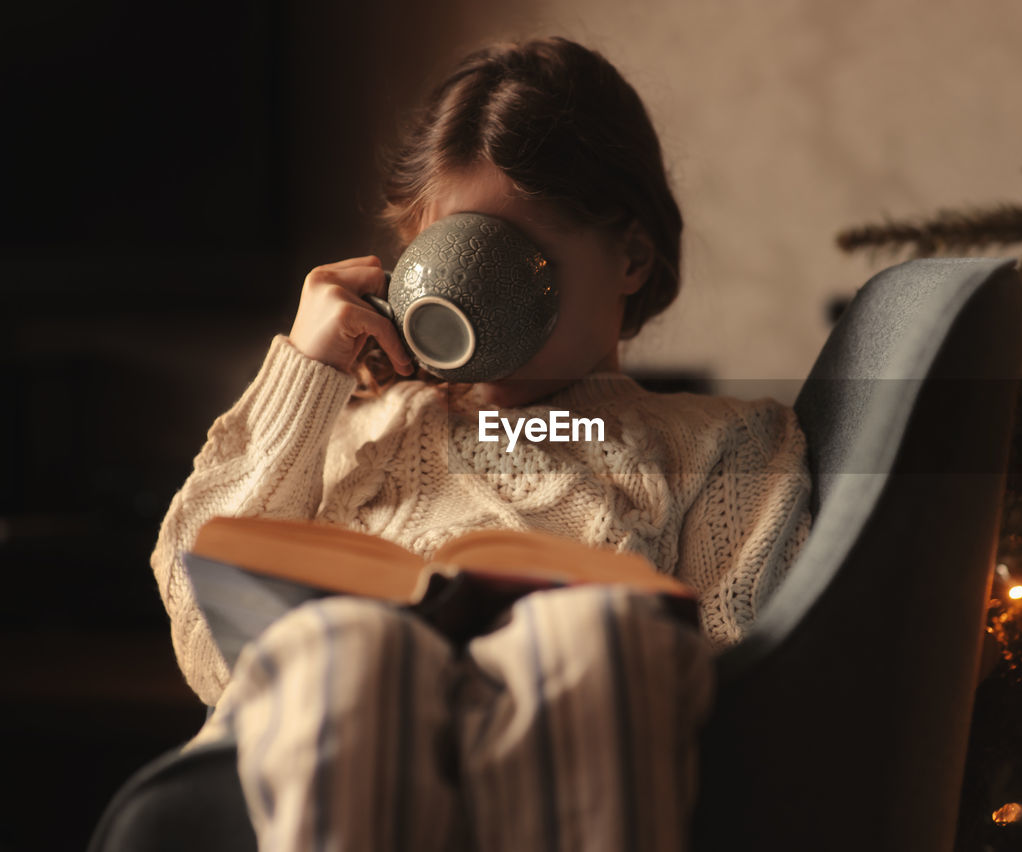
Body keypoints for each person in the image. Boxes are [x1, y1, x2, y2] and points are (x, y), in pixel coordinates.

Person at [151, 36, 812, 851]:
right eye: (452, 256)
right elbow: (203, 643)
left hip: (578, 764)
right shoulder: (347, 429)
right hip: (327, 765)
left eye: (512, 261)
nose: (473, 301)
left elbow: (745, 691)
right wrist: (304, 374)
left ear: (631, 257)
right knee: (353, 651)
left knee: (589, 642)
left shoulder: (729, 447)